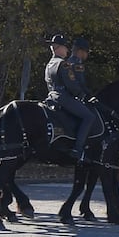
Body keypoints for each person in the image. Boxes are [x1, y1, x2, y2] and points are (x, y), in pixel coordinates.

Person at [44, 35, 94, 163]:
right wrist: (83, 96)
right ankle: (78, 149)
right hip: (64, 98)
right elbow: (71, 84)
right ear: (59, 48)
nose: (67, 51)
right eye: (66, 47)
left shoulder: (49, 64)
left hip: (52, 97)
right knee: (89, 117)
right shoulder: (63, 64)